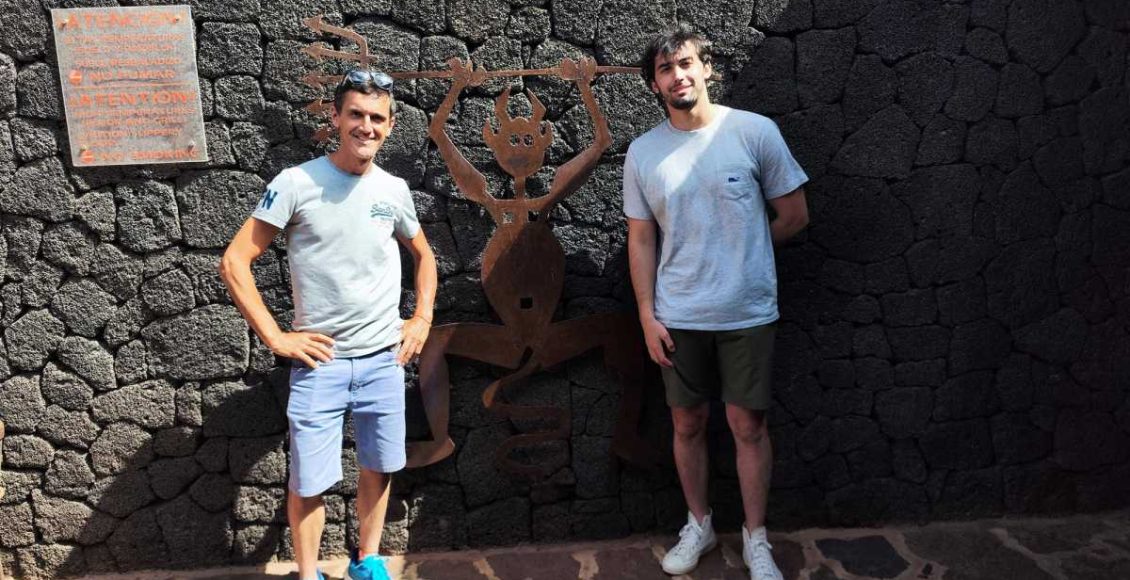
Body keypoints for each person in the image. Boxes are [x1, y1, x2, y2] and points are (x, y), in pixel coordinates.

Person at [220, 69, 437, 580]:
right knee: (309, 481)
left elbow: (425, 256)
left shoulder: (394, 189)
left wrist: (421, 318)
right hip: (322, 363)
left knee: (379, 466)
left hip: (384, 360)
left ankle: (368, 561)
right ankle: (308, 573)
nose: (367, 126)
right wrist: (275, 336)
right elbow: (234, 261)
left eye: (377, 118)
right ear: (336, 117)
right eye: (356, 114)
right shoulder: (296, 183)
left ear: (390, 125)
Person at [623, 24, 810, 580]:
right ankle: (699, 524)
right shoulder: (644, 152)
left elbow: (794, 215)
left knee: (748, 426)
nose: (678, 75)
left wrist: (745, 249)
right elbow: (641, 239)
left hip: (746, 312)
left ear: (707, 68)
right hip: (678, 315)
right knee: (686, 424)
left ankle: (756, 538)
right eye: (665, 68)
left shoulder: (754, 132)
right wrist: (646, 315)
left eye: (686, 63)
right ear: (654, 85)